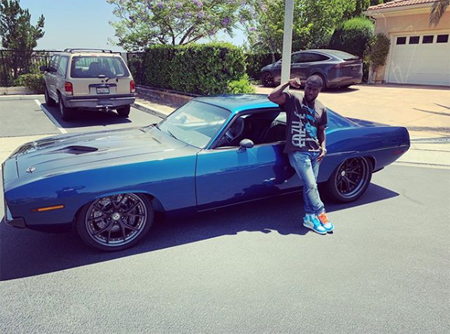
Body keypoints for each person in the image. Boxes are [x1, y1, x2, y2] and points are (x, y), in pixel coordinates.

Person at [268, 75, 334, 234]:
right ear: (305, 87)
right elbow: (272, 96)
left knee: (309, 186)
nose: (310, 92)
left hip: (315, 153)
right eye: (308, 87)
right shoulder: (293, 99)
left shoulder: (321, 108)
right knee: (311, 185)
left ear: (320, 90)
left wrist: (323, 148)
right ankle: (320, 212)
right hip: (298, 152)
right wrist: (287, 83)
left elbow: (321, 131)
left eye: (314, 89)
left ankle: (309, 217)